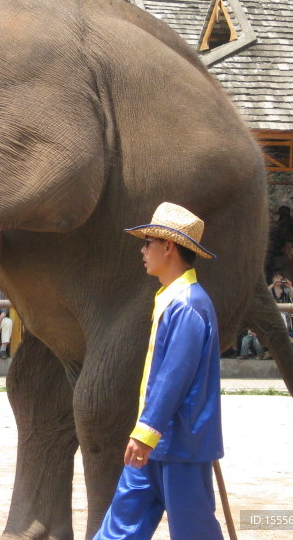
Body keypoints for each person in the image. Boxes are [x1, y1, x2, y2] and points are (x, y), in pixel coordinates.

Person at [93, 202, 223, 540]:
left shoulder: (189, 305)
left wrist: (146, 430)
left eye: (148, 242)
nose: (143, 250)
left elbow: (174, 377)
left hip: (179, 443)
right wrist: (146, 432)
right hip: (157, 441)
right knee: (120, 526)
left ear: (168, 247)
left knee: (193, 531)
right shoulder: (173, 298)